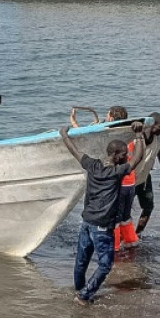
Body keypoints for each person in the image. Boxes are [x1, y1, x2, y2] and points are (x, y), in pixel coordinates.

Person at [60, 123, 144, 305]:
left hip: (86, 222)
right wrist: (139, 135)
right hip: (102, 226)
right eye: (123, 154)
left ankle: (79, 288)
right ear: (115, 155)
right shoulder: (116, 172)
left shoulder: (93, 166)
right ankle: (83, 296)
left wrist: (64, 135)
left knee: (81, 261)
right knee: (105, 265)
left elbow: (75, 152)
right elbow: (137, 158)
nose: (126, 156)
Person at [133, 113, 160, 235]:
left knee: (148, 207)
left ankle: (138, 234)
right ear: (151, 125)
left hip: (144, 178)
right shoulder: (136, 137)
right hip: (130, 179)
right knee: (122, 210)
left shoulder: (159, 141)